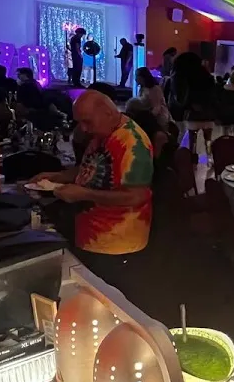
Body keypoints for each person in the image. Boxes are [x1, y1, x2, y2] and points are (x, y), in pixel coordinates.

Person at [31, 91, 154, 279]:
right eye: (80, 122)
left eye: (87, 122)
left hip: (116, 246)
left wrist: (84, 194)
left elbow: (136, 196)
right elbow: (91, 167)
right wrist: (59, 176)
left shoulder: (132, 142)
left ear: (107, 113)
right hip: (91, 238)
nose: (83, 129)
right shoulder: (104, 132)